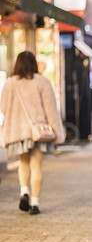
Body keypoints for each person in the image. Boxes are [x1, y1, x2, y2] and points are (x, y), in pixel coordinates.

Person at [0, 51, 64, 215]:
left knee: (23, 164)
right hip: (38, 132)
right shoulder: (42, 82)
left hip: (18, 131)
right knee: (36, 166)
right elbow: (50, 110)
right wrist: (57, 131)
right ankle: (35, 203)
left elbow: (3, 108)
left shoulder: (9, 83)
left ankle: (24, 192)